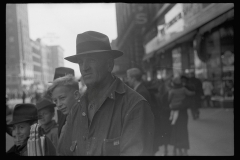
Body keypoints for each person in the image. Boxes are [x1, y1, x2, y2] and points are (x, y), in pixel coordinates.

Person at [57, 31, 154, 156]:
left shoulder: (134, 106)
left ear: (109, 64)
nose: (84, 67)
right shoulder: (76, 110)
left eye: (91, 60)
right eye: (81, 62)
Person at [126, 68, 160, 154]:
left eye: (128, 77)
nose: (127, 80)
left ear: (133, 79)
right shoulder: (139, 89)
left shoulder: (141, 92)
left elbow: (142, 115)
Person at [168, 76, 195, 156]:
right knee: (184, 130)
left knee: (176, 131)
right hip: (183, 112)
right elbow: (190, 93)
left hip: (174, 111)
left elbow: (168, 100)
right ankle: (185, 150)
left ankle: (178, 150)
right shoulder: (183, 89)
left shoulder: (172, 90)